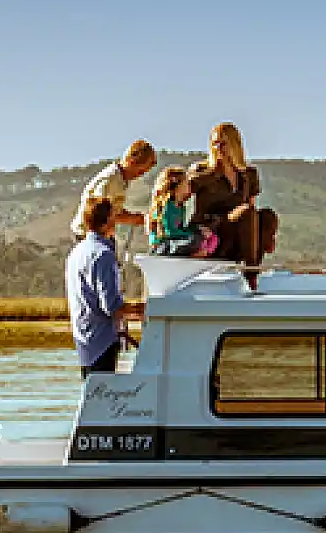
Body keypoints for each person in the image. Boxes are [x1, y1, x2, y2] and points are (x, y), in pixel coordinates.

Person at [188, 122, 278, 288]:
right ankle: (251, 276)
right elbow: (183, 192)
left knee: (266, 215)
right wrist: (215, 172)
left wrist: (266, 235)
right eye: (215, 143)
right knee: (246, 212)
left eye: (223, 143)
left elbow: (252, 206)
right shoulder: (201, 170)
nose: (219, 147)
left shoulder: (248, 174)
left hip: (240, 229)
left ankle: (253, 267)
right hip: (213, 228)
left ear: (234, 144)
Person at [66, 198, 144, 377]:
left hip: (84, 338)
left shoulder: (76, 252)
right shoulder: (103, 255)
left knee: (91, 392)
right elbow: (111, 307)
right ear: (108, 221)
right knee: (101, 395)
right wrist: (144, 310)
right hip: (102, 339)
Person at [69, 139, 157, 240]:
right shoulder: (111, 179)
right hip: (87, 235)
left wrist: (137, 218)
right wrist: (134, 219)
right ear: (132, 161)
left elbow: (113, 209)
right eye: (140, 171)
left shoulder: (120, 180)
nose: (139, 176)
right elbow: (99, 213)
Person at [146, 166, 219, 257]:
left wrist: (198, 230)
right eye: (187, 183)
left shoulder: (180, 207)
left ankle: (200, 252)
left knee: (203, 237)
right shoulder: (167, 206)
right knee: (194, 239)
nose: (190, 186)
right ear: (177, 185)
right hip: (163, 245)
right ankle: (194, 254)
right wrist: (193, 233)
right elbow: (170, 232)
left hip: (174, 241)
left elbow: (180, 229)